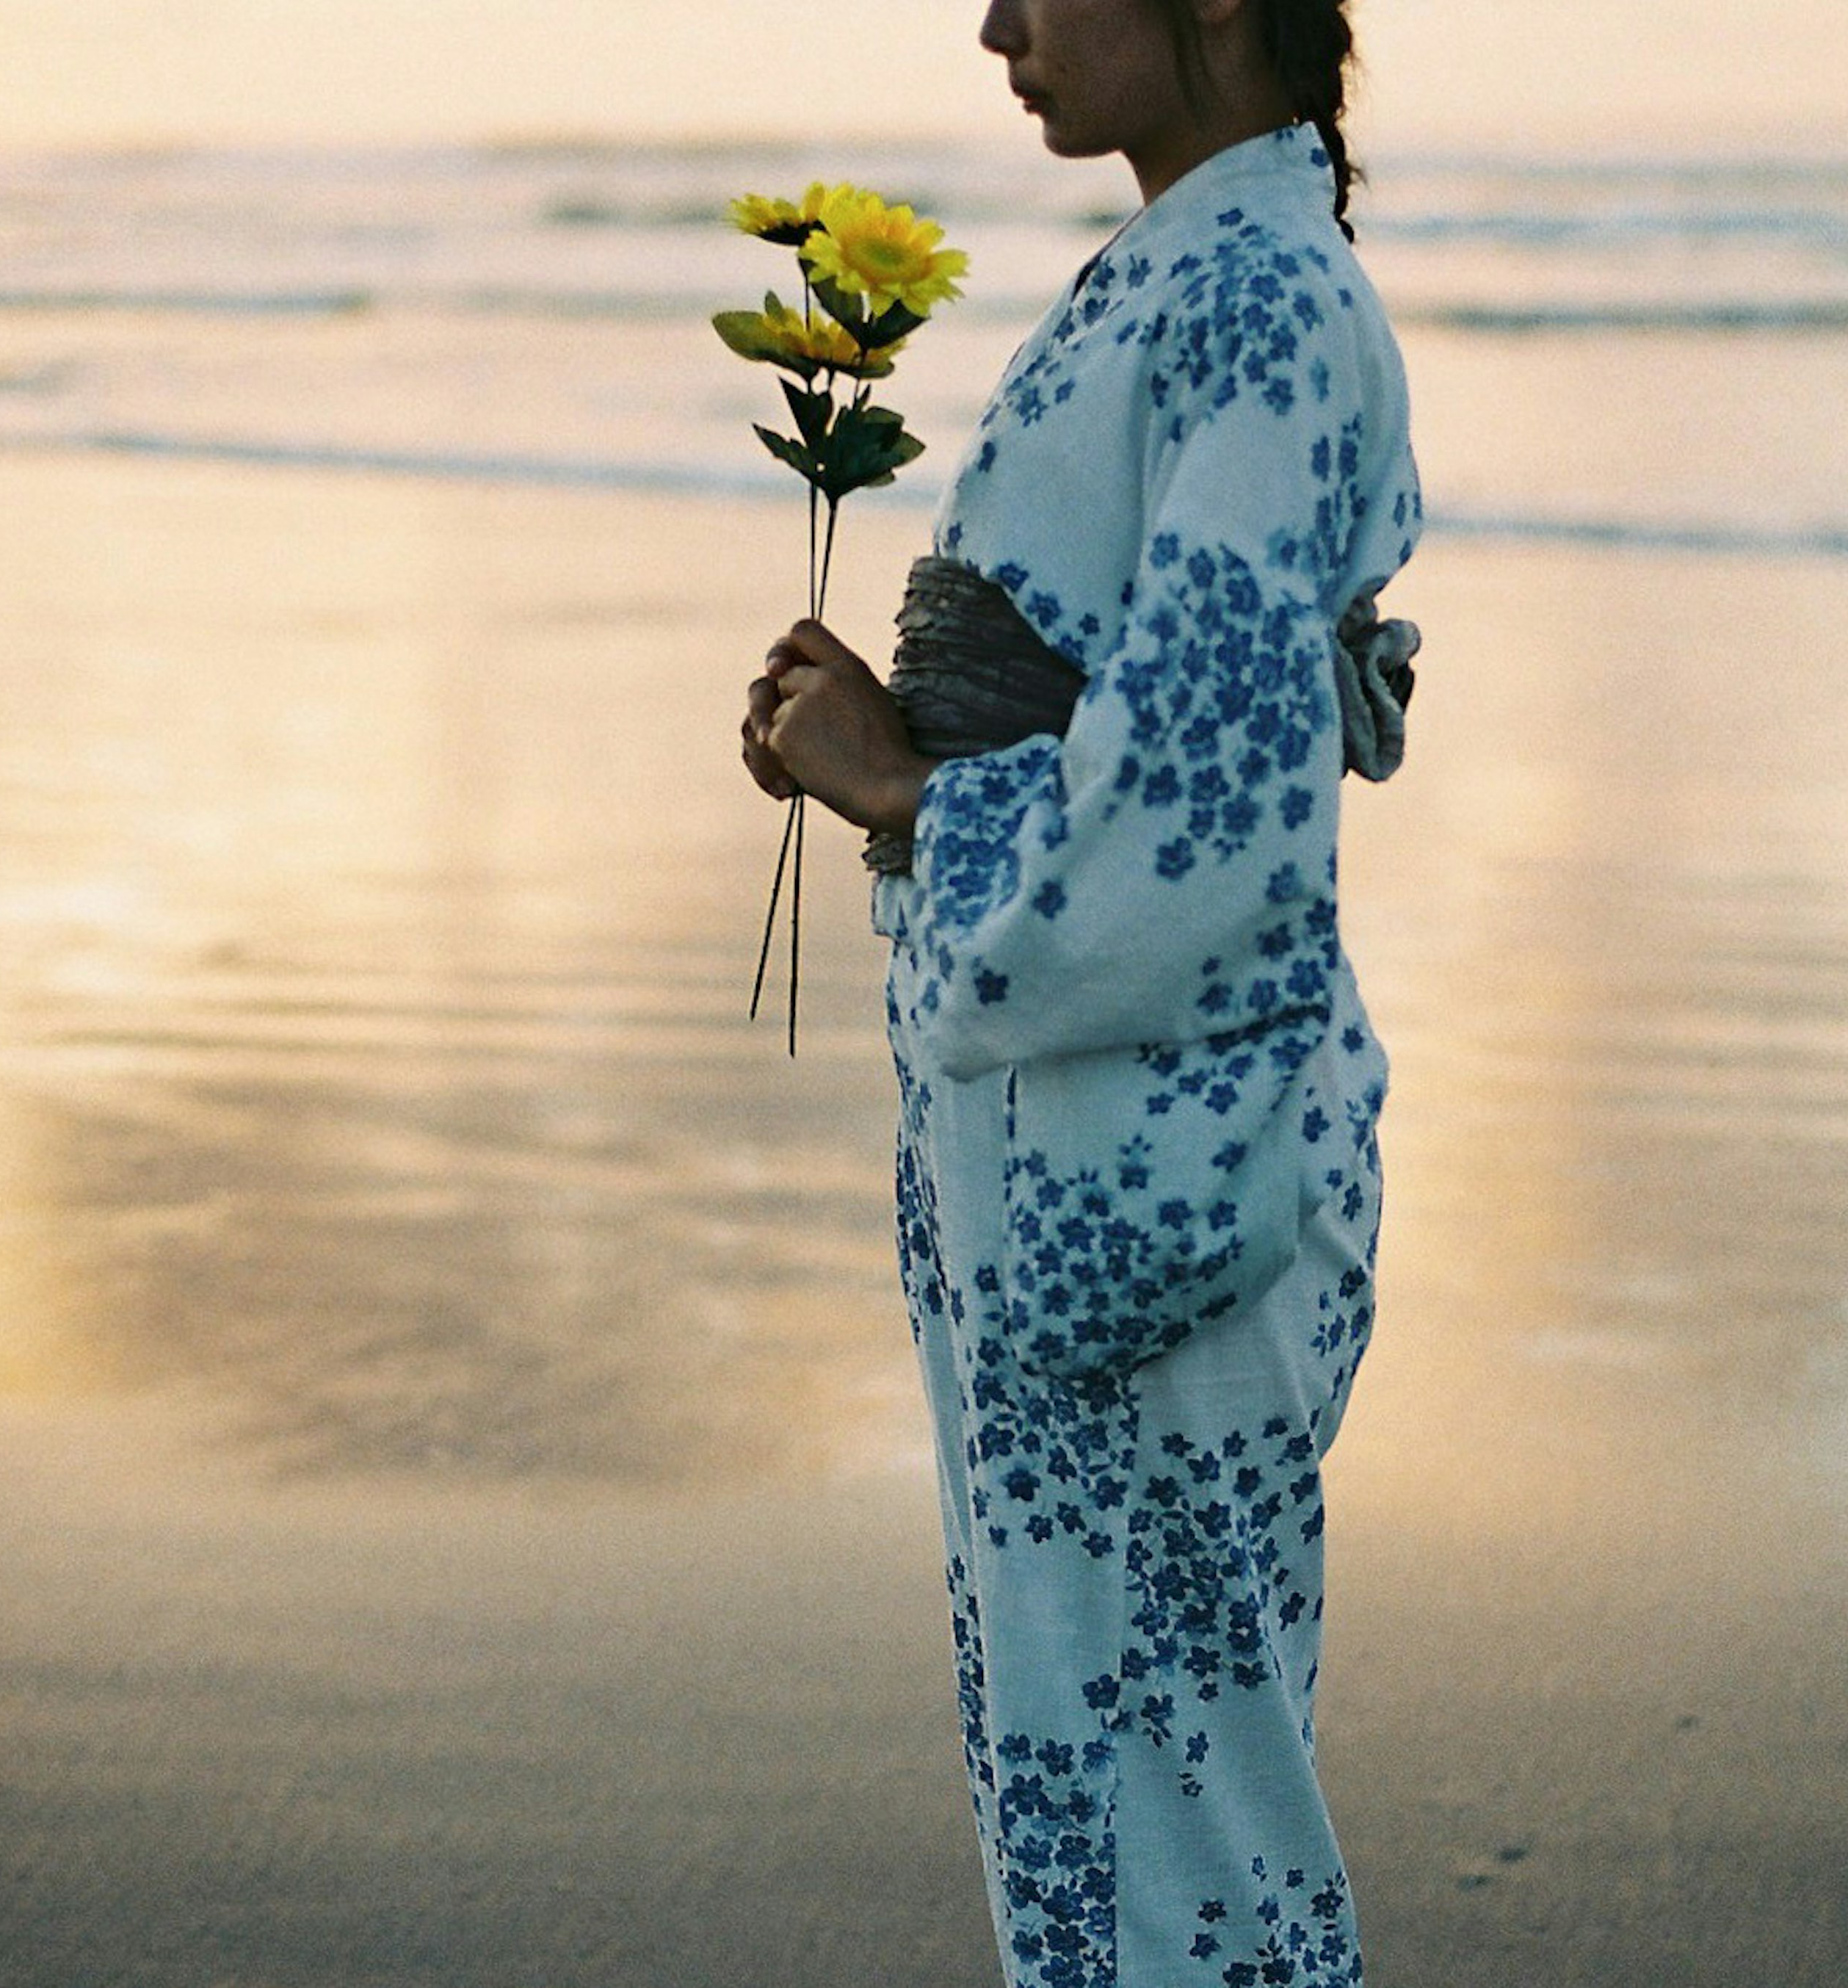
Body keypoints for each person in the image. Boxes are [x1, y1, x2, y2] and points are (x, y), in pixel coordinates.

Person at [739, 0, 1421, 1980]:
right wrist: (877, 754)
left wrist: (900, 780)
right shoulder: (1187, 283)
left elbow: (1202, 807)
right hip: (1085, 1161)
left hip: (1157, 1186)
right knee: (1106, 1786)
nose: (996, 24)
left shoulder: (1269, 304)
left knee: (1181, 1822)